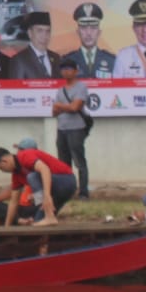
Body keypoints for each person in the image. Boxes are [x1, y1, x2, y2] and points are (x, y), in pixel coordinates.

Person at [0, 139, 77, 227]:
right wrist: (7, 227)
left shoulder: (24, 156)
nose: (3, 171)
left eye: (1, 168)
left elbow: (44, 169)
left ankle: (49, 216)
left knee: (32, 177)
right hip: (55, 194)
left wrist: (46, 196)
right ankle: (47, 218)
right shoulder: (16, 175)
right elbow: (13, 202)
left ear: (4, 161)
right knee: (37, 223)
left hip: (66, 181)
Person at [52, 57, 91, 198]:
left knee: (79, 162)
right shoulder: (60, 90)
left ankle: (83, 192)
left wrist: (59, 106)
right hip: (61, 128)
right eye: (63, 69)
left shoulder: (81, 87)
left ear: (76, 71)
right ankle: (66, 192)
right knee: (63, 164)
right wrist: (60, 108)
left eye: (68, 69)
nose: (65, 72)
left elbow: (75, 107)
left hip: (76, 129)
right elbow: (54, 112)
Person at [65, 2, 116, 79]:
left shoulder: (111, 60)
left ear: (99, 32)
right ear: (78, 32)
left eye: (93, 28)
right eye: (84, 28)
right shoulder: (67, 61)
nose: (88, 33)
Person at [10, 11, 60, 79]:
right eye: (39, 31)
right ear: (30, 33)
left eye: (48, 31)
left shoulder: (56, 58)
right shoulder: (20, 60)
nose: (44, 36)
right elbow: (16, 88)